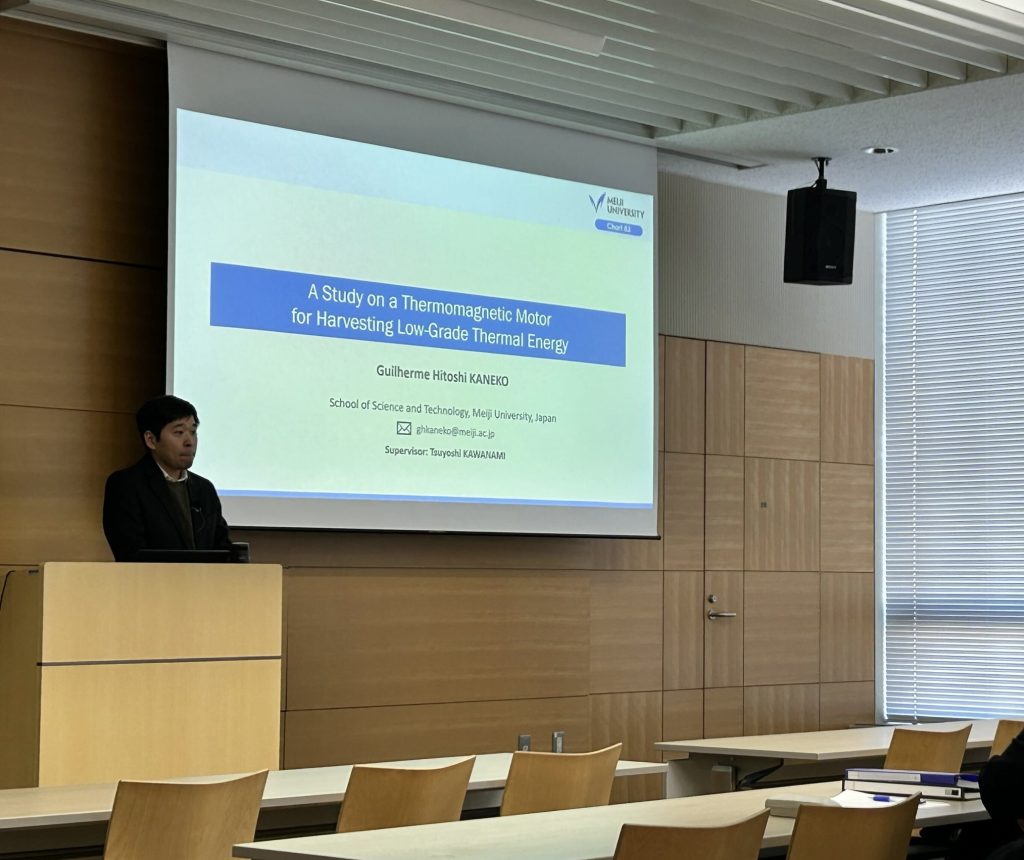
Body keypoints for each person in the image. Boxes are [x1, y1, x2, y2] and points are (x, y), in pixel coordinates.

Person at [103, 395, 232, 562]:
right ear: (151, 440)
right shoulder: (126, 485)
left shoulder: (204, 488)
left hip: (205, 578)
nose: (189, 441)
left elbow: (223, 550)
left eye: (193, 432)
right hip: (152, 578)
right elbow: (131, 554)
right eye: (179, 432)